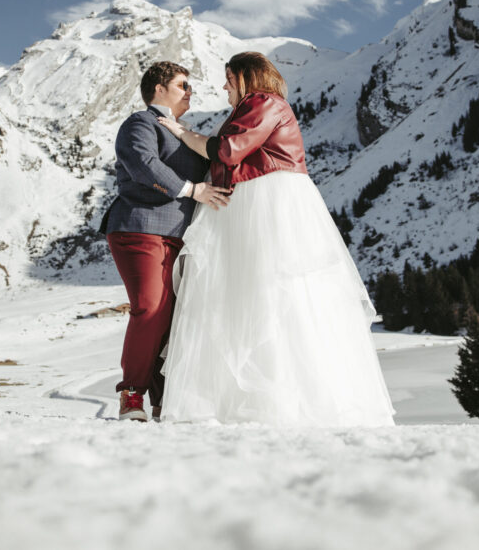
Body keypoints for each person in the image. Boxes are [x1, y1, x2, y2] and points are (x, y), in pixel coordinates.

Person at [157, 52, 394, 427]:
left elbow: (228, 150)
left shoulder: (264, 102)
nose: (224, 87)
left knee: (266, 295)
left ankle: (279, 401)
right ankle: (253, 400)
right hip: (253, 198)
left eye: (229, 79)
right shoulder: (257, 105)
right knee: (254, 297)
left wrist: (183, 133)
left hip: (265, 200)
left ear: (246, 78)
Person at [101, 61, 231, 421]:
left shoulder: (182, 130)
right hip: (141, 227)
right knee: (151, 307)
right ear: (158, 89)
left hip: (181, 237)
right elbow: (142, 163)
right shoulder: (139, 124)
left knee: (175, 319)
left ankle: (163, 401)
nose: (190, 92)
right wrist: (192, 189)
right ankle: (131, 394)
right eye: (182, 85)